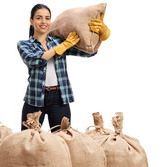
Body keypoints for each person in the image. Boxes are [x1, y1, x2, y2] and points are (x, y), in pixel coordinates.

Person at [17, 3, 109, 131]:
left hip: (59, 97)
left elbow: (88, 53)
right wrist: (60, 48)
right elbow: (34, 60)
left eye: (47, 18)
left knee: (63, 139)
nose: (43, 21)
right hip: (35, 98)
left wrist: (101, 37)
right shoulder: (24, 44)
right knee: (28, 140)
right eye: (39, 18)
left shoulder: (59, 41)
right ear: (31, 21)